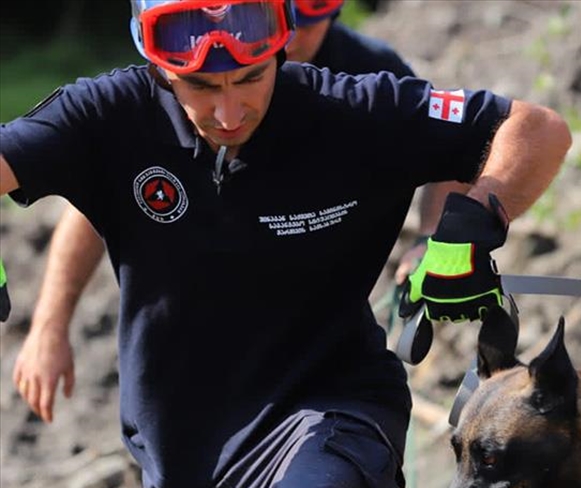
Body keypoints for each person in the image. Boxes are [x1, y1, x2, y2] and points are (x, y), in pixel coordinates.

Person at [0, 0, 571, 488]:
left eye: (249, 80)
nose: (230, 111)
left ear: (276, 51)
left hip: (330, 402)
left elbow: (536, 128)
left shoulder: (353, 104)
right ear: (157, 69)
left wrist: (472, 223)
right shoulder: (106, 114)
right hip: (188, 457)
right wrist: (48, 323)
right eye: (202, 89)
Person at [11, 0, 457, 423]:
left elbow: (452, 149)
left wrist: (432, 237)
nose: (294, 32)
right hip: (190, 355)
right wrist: (50, 325)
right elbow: (94, 203)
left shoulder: (369, 77)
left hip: (316, 342)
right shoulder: (157, 98)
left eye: (311, 11)